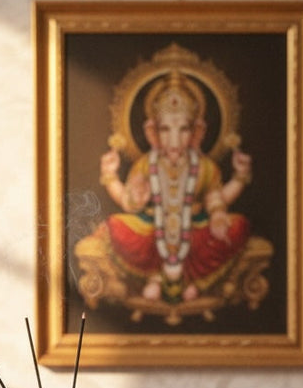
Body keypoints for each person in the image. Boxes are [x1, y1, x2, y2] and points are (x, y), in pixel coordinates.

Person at [98, 70, 252, 303]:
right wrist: (111, 176)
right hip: (153, 231)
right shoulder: (145, 165)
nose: (174, 140)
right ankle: (156, 276)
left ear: (195, 132)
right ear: (153, 132)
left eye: (183, 130)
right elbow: (129, 203)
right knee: (116, 225)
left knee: (237, 226)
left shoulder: (203, 166)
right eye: (166, 130)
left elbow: (215, 199)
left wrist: (238, 180)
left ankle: (190, 279)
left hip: (194, 228)